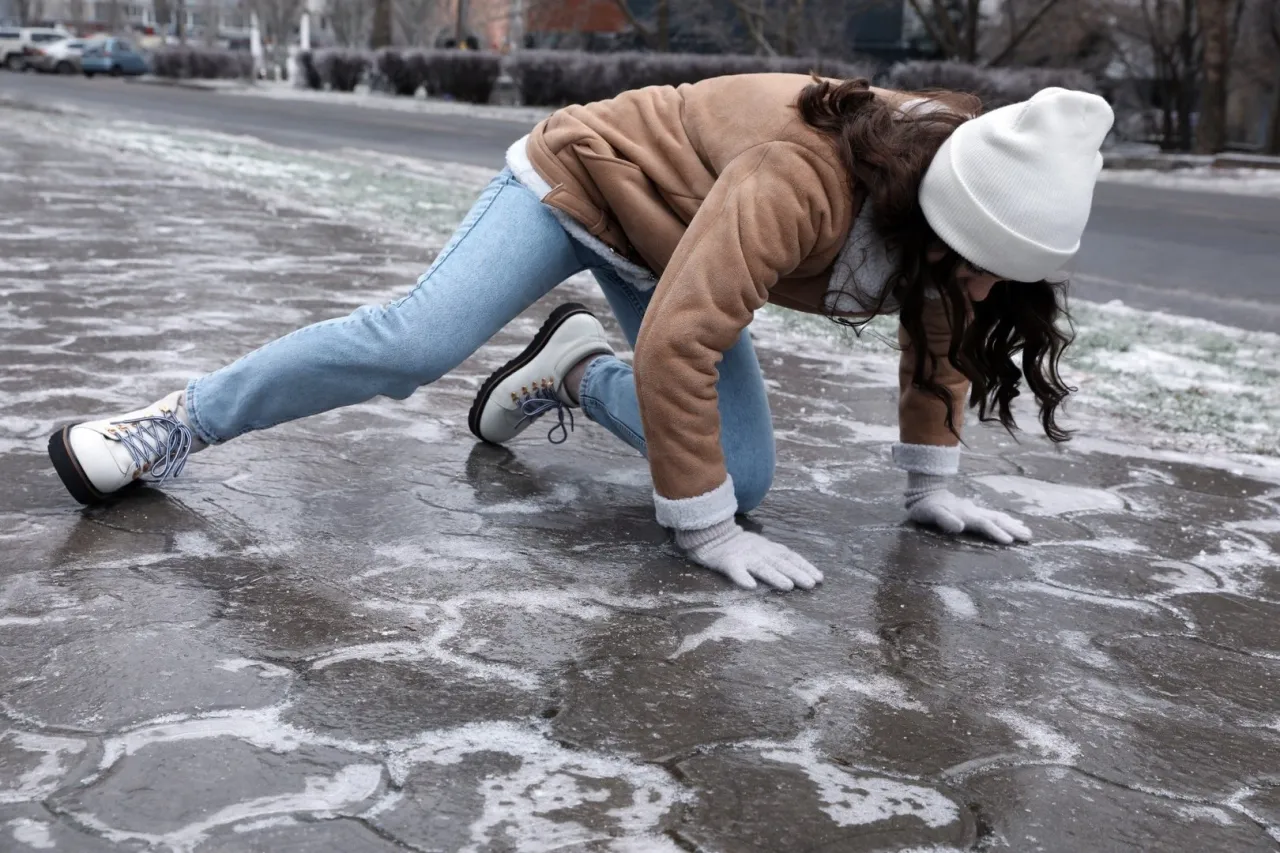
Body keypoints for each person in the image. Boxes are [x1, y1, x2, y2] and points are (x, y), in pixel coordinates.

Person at [47, 74, 1114, 592]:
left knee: (736, 476)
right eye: (971, 256)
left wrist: (929, 484)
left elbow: (940, 323)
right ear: (928, 205)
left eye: (1002, 273)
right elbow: (685, 343)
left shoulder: (969, 205)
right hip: (584, 181)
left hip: (681, 244)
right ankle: (173, 422)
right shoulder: (806, 179)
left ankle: (568, 369)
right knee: (413, 344)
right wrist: (697, 537)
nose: (980, 283)